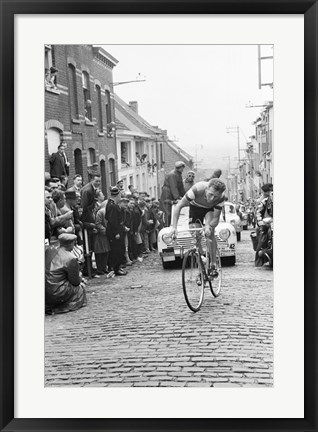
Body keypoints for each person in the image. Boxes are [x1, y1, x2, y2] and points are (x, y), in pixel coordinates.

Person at [171, 178, 227, 277]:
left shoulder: (221, 198)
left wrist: (209, 226)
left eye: (215, 196)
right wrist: (174, 227)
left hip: (210, 211)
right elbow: (179, 206)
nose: (212, 199)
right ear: (206, 189)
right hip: (195, 208)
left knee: (210, 233)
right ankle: (201, 257)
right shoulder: (196, 189)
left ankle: (213, 264)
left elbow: (216, 218)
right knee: (195, 233)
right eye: (210, 194)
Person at [45, 233, 87, 314]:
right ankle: (61, 307)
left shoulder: (49, 250)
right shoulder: (71, 258)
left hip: (45, 290)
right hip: (57, 292)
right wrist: (80, 276)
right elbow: (75, 282)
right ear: (72, 244)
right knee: (80, 289)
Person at [81, 174, 102, 277]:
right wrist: (89, 222)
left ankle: (89, 267)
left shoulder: (92, 189)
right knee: (88, 245)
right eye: (96, 181)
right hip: (87, 220)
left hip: (90, 217)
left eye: (99, 181)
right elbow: (85, 207)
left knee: (91, 246)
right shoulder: (87, 190)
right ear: (92, 180)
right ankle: (87, 269)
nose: (98, 183)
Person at [106, 187, 127, 276]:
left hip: (116, 230)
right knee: (117, 250)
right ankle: (116, 268)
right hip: (115, 232)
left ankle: (118, 267)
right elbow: (112, 220)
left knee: (119, 250)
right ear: (117, 195)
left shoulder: (111, 204)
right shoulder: (112, 206)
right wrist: (116, 233)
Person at [160, 161, 186, 226]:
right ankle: (166, 226)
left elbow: (181, 187)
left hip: (171, 194)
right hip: (167, 194)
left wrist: (185, 196)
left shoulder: (178, 174)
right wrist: (177, 198)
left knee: (172, 212)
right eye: (182, 168)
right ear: (179, 168)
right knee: (168, 213)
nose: (183, 169)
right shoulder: (172, 174)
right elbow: (173, 187)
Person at [94, 200, 111, 275]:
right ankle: (100, 268)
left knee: (106, 251)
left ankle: (104, 267)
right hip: (100, 235)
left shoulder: (106, 211)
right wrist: (104, 231)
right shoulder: (100, 212)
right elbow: (98, 223)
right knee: (100, 252)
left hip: (106, 234)